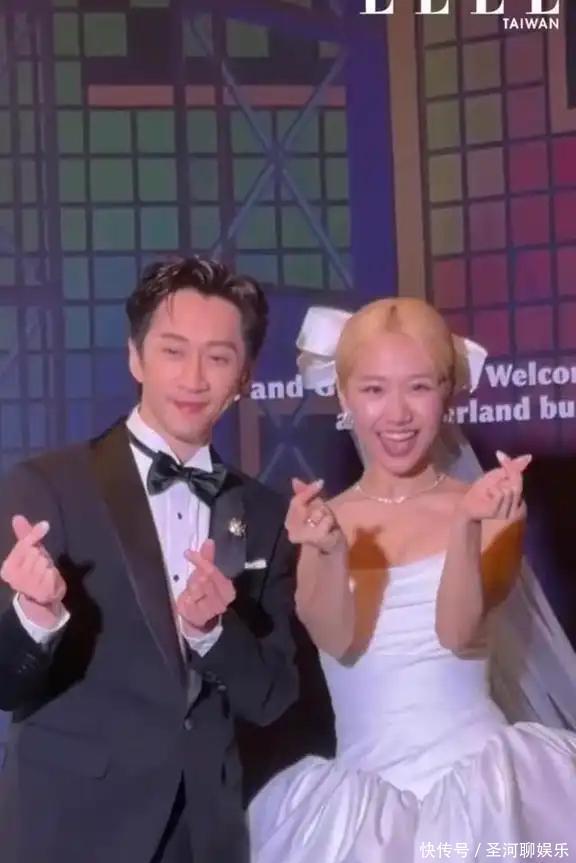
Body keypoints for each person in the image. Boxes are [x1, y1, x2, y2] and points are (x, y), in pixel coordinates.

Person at [248, 298, 576, 863]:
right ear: (344, 395)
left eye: (418, 387)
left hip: (483, 802)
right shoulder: (323, 521)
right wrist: (328, 550)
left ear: (446, 393)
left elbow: (457, 631)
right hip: (360, 814)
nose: (397, 414)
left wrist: (466, 525)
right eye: (374, 389)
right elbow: (335, 638)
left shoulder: (491, 508)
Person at [0, 257, 298, 863]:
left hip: (204, 833)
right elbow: (6, 684)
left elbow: (271, 697)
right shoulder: (48, 485)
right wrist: (36, 616)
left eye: (218, 357)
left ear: (244, 375)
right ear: (135, 357)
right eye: (172, 351)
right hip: (72, 827)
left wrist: (214, 634)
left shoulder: (264, 514)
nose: (193, 378)